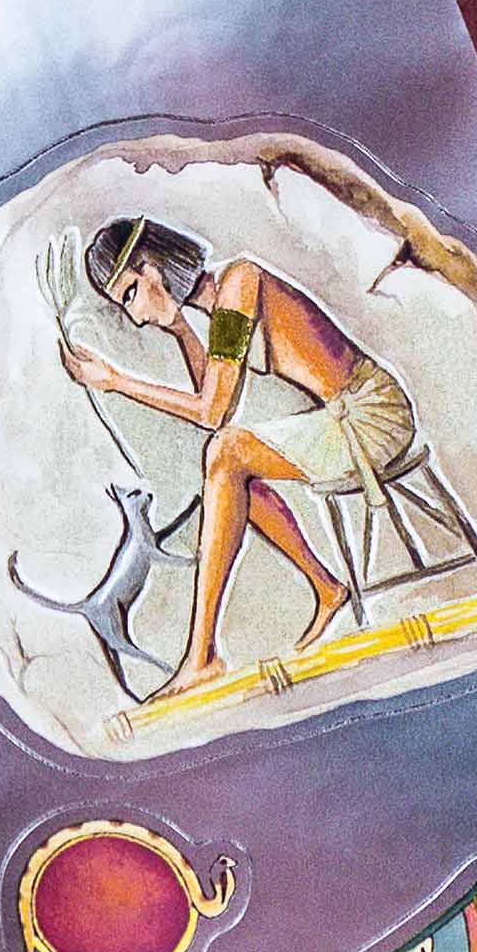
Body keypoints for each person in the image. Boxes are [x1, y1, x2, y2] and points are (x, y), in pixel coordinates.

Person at [57, 218, 419, 684]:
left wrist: (116, 381)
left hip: (370, 416)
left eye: (130, 294)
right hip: (344, 419)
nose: (136, 316)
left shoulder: (239, 284)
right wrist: (180, 327)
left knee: (226, 454)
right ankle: (326, 588)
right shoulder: (222, 305)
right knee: (228, 472)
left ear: (152, 270)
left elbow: (211, 411)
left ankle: (202, 658)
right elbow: (217, 407)